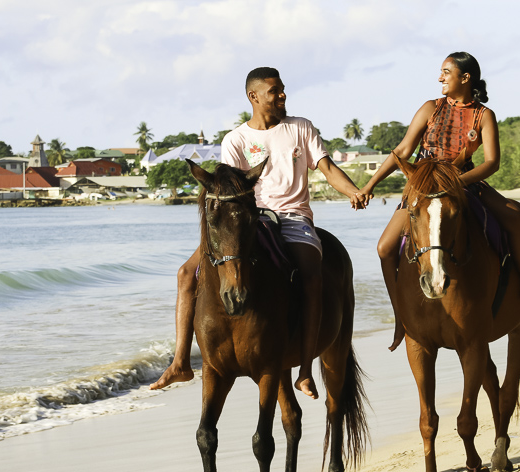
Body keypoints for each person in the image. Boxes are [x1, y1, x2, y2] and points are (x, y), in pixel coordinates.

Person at [151, 67, 370, 400]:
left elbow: (326, 168)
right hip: (252, 220)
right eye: (274, 91)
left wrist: (352, 191)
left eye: (282, 90)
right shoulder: (236, 140)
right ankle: (180, 361)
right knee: (185, 274)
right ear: (254, 96)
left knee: (312, 276)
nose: (282, 95)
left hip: (295, 218)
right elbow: (231, 191)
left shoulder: (300, 128)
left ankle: (307, 371)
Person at [360, 51, 520, 351]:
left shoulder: (484, 115)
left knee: (515, 217)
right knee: (385, 247)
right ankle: (401, 315)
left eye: (446, 72)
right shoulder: (430, 108)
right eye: (441, 72)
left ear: (465, 78)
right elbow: (402, 150)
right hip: (424, 187)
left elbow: (492, 162)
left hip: (464, 183)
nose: (440, 77)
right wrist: (369, 185)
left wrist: (456, 181)